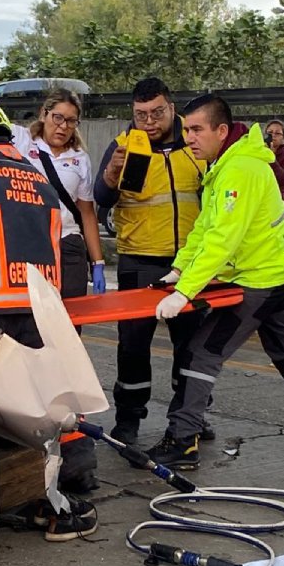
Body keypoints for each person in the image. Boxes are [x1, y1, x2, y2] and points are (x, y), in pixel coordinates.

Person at [147, 94, 284, 469]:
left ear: (221, 130)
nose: (189, 138)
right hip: (275, 272)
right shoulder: (224, 164)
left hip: (259, 280)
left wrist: (184, 293)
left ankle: (182, 441)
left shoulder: (239, 170)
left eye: (197, 129)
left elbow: (222, 240)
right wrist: (179, 270)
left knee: (201, 352)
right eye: (186, 130)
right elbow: (205, 229)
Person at [0, 97, 97, 540]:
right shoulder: (37, 175)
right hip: (38, 306)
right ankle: (55, 497)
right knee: (40, 400)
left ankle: (7, 500)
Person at [93, 77, 207, 447]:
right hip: (139, 261)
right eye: (140, 114)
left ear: (172, 108)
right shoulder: (124, 147)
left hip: (191, 265)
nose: (149, 121)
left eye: (156, 112)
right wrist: (112, 173)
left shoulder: (194, 145)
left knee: (191, 347)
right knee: (133, 347)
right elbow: (101, 198)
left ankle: (190, 416)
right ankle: (128, 419)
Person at [10, 90, 106, 299]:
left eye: (71, 121)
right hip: (30, 244)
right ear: (44, 114)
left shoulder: (80, 159)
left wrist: (98, 263)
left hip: (68, 245)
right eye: (58, 117)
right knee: (33, 319)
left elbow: (87, 214)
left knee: (71, 318)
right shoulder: (22, 141)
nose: (63, 126)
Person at [265, 119, 284, 202]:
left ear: (283, 137)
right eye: (270, 132)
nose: (273, 135)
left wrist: (271, 158)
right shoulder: (259, 152)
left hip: (278, 199)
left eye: (277, 133)